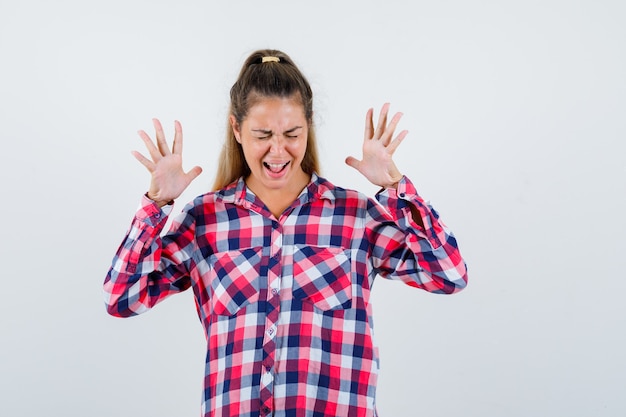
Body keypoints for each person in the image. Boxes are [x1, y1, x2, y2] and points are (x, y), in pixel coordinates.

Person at [104, 49, 468, 417]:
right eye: (262, 134)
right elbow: (121, 298)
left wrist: (395, 187)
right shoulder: (204, 221)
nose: (277, 150)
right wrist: (157, 204)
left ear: (308, 128)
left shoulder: (356, 217)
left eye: (292, 133)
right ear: (237, 130)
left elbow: (449, 275)